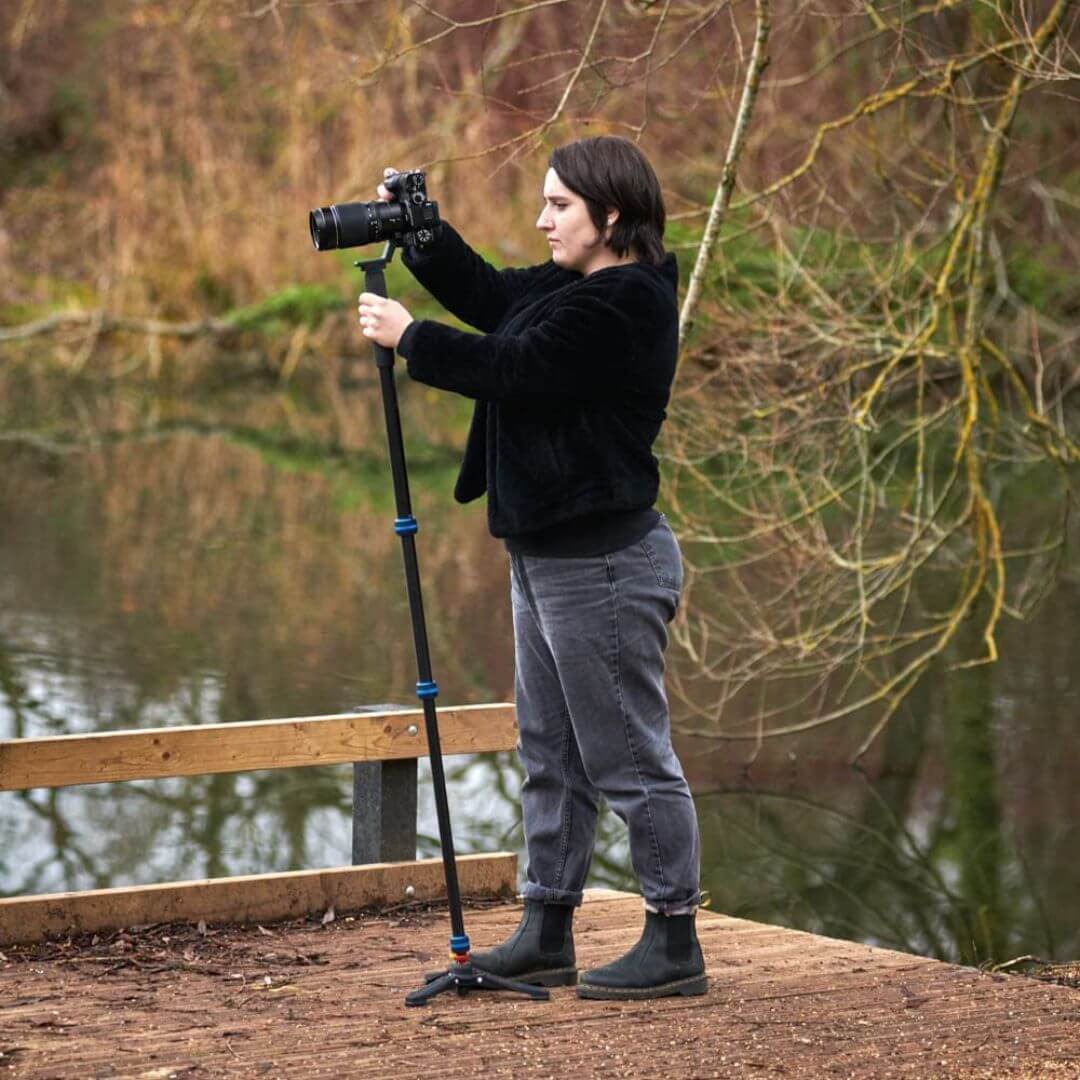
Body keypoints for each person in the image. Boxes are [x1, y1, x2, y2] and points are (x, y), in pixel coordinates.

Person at [357, 136, 705, 1000]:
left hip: (607, 564)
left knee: (627, 758)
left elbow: (516, 367)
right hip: (547, 557)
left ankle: (674, 941)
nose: (542, 218)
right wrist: (421, 229)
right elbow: (492, 298)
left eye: (559, 206)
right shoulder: (575, 284)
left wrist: (412, 340)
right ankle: (547, 930)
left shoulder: (628, 303)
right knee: (549, 754)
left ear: (611, 216)